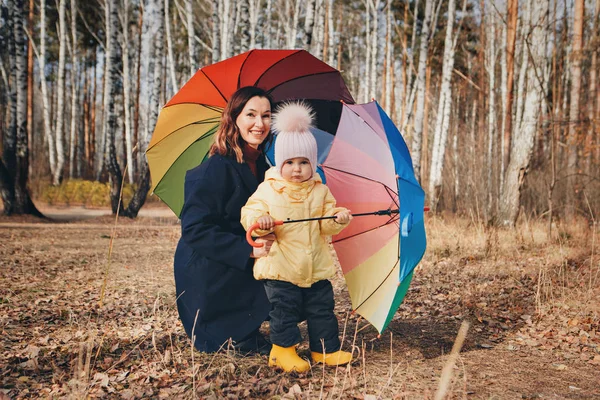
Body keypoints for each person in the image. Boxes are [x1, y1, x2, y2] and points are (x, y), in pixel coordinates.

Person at [241, 102, 354, 373]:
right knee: (284, 311)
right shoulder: (268, 190)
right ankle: (282, 351)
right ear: (279, 163)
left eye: (304, 162)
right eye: (289, 162)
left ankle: (324, 350)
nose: (296, 169)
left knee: (322, 309)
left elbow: (325, 223)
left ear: (312, 164)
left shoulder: (320, 191)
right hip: (280, 268)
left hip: (314, 267)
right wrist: (261, 223)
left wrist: (337, 218)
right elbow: (250, 213)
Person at [174, 86, 276, 354]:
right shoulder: (216, 167)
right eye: (251, 114)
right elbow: (195, 230)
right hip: (210, 264)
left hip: (241, 254)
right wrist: (248, 250)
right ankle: (235, 332)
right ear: (234, 119)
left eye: (266, 116)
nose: (259, 123)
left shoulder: (265, 166)